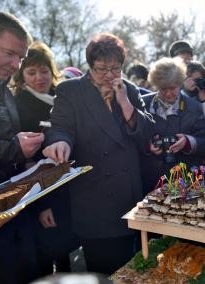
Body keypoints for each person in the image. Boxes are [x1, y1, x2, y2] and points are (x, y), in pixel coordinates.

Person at [42, 32, 154, 275]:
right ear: (89, 65)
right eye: (101, 68)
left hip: (128, 195)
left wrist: (124, 101)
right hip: (93, 196)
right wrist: (60, 142)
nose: (109, 75)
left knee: (129, 268)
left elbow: (146, 136)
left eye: (115, 68)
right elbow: (60, 128)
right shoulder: (70, 90)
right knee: (102, 270)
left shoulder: (131, 90)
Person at [0, 11, 44, 283]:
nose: (16, 64)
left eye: (20, 57)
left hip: (13, 209)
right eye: (9, 54)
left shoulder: (4, 88)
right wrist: (14, 148)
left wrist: (26, 153)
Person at [12, 41, 79, 276]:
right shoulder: (19, 106)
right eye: (31, 72)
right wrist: (42, 204)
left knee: (65, 251)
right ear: (21, 75)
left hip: (68, 187)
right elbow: (25, 164)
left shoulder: (62, 98)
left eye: (44, 71)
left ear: (53, 71)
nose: (39, 77)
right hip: (43, 192)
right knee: (46, 252)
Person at [140, 57, 205, 195]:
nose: (168, 93)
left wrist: (188, 142)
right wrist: (147, 146)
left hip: (184, 184)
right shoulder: (143, 104)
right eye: (163, 89)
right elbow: (131, 139)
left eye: (172, 88)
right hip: (150, 183)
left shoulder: (195, 107)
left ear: (180, 83)